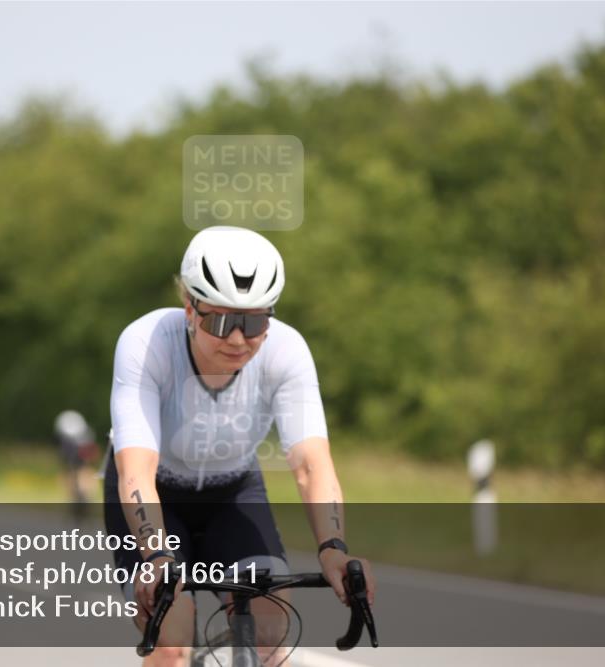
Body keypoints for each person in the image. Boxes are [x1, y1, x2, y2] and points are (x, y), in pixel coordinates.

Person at [104, 226, 375, 667]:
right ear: (189, 308)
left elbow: (310, 463)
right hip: (156, 496)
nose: (236, 339)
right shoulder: (146, 342)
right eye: (221, 320)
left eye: (253, 322)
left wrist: (334, 547)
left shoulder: (287, 351)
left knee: (270, 631)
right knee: (172, 642)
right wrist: (154, 553)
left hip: (233, 492)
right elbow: (136, 469)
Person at [53, 409, 100, 518]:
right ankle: (78, 502)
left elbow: (90, 457)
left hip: (81, 459)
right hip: (73, 460)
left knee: (83, 476)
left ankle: (84, 500)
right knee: (72, 478)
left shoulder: (85, 436)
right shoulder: (67, 440)